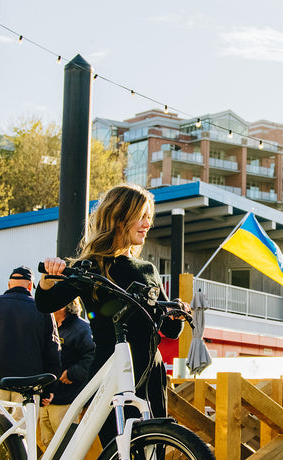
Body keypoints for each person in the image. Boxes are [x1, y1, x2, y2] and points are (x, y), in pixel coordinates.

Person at [37, 183, 187, 439]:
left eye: (148, 217)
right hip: (111, 373)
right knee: (120, 457)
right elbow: (46, 303)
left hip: (150, 373)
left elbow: (170, 330)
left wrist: (177, 312)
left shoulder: (148, 269)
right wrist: (48, 279)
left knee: (153, 456)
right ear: (119, 219)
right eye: (141, 216)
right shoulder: (90, 267)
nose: (147, 224)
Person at [0, 266, 62, 403]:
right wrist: (49, 388)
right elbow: (53, 350)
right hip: (29, 386)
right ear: (30, 286)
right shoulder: (43, 310)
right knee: (23, 424)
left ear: (9, 284)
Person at [38, 298, 97, 448]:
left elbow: (93, 355)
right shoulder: (48, 326)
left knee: (66, 447)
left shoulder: (82, 328)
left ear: (65, 305)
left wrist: (73, 373)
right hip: (46, 400)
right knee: (46, 445)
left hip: (67, 400)